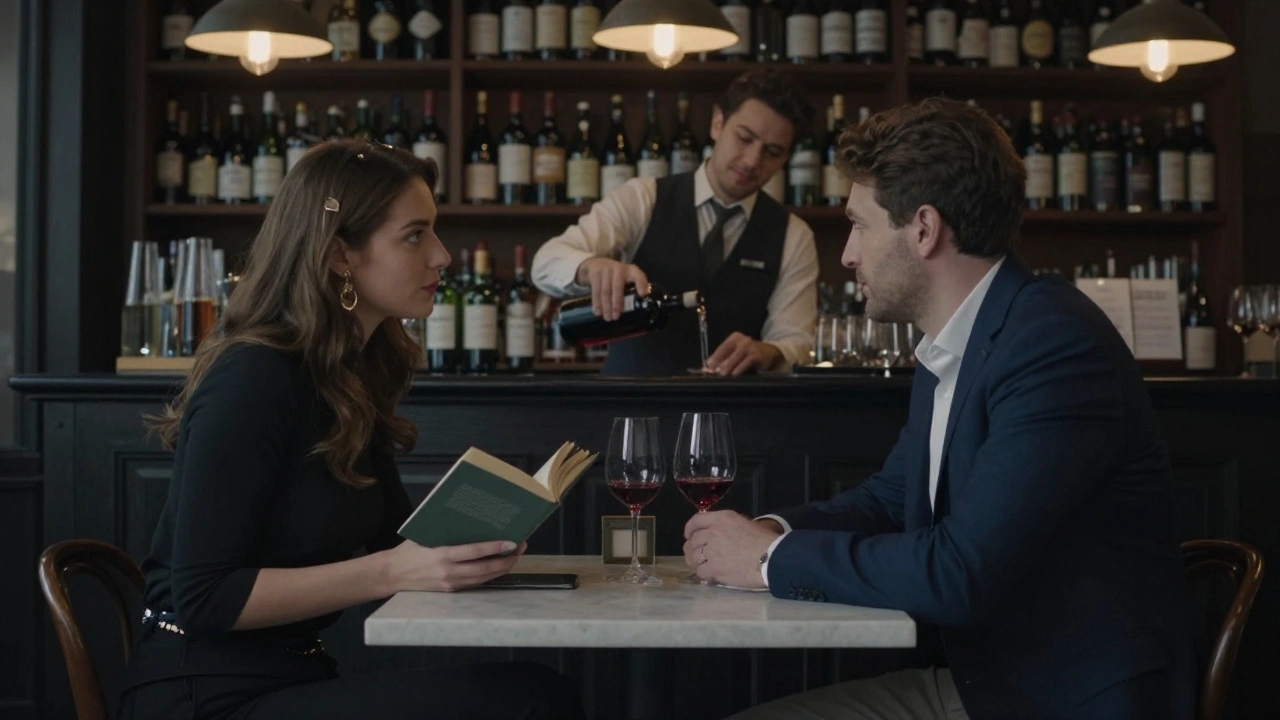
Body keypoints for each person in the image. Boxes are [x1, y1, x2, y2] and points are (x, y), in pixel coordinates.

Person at [681, 98, 1198, 720]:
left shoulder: (1053, 345)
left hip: (1062, 700)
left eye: (860, 226)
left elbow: (960, 573)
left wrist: (767, 562)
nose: (847, 255)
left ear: (924, 228)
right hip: (991, 685)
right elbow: (888, 501)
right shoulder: (963, 338)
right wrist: (771, 533)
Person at [118, 140, 585, 720]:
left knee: (536, 693)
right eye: (415, 236)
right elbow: (202, 597)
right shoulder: (253, 376)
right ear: (341, 255)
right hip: (202, 694)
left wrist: (482, 538)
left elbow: (395, 543)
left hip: (293, 676)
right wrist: (396, 569)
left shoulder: (348, 376)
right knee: (533, 699)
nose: (442, 256)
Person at [531, 68, 819, 377]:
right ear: (717, 123)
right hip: (630, 411)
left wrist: (770, 352)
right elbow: (545, 263)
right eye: (744, 138)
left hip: (732, 419)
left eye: (772, 152)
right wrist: (591, 267)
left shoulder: (794, 235)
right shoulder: (643, 198)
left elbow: (798, 343)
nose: (752, 160)